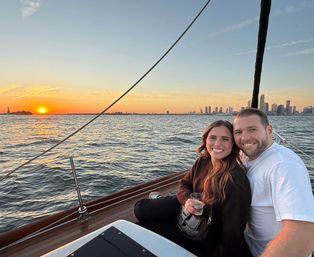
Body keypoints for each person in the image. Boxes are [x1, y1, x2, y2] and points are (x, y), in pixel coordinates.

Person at [134, 120, 252, 257]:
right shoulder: (203, 162)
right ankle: (166, 203)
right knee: (140, 209)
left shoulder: (234, 181)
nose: (218, 144)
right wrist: (187, 201)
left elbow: (233, 232)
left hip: (200, 236)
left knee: (141, 227)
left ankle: (165, 205)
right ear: (205, 140)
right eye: (213, 138)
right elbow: (184, 184)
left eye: (225, 139)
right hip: (185, 210)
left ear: (233, 144)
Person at [233, 108, 314, 257]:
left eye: (252, 129)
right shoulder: (250, 157)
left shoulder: (283, 165)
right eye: (238, 132)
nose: (244, 138)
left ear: (269, 130)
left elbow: (303, 233)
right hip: (247, 245)